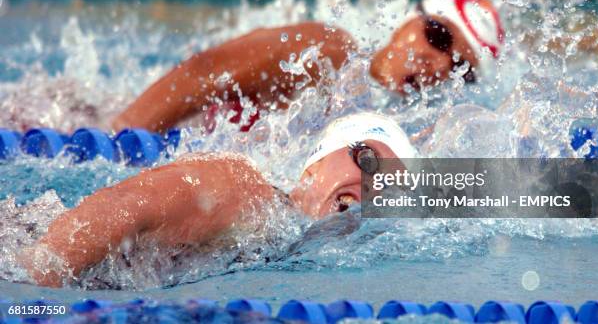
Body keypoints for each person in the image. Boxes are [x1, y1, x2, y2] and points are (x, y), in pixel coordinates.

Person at [20, 113, 418, 288]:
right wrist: (36, 301)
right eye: (367, 160)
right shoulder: (244, 188)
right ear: (312, 166)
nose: (373, 186)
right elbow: (121, 206)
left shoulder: (286, 240)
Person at [111, 0, 505, 133]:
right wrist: (123, 137)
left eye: (459, 68)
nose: (438, 63)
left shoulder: (397, 128)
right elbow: (205, 72)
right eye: (439, 35)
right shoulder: (330, 51)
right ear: (409, 18)